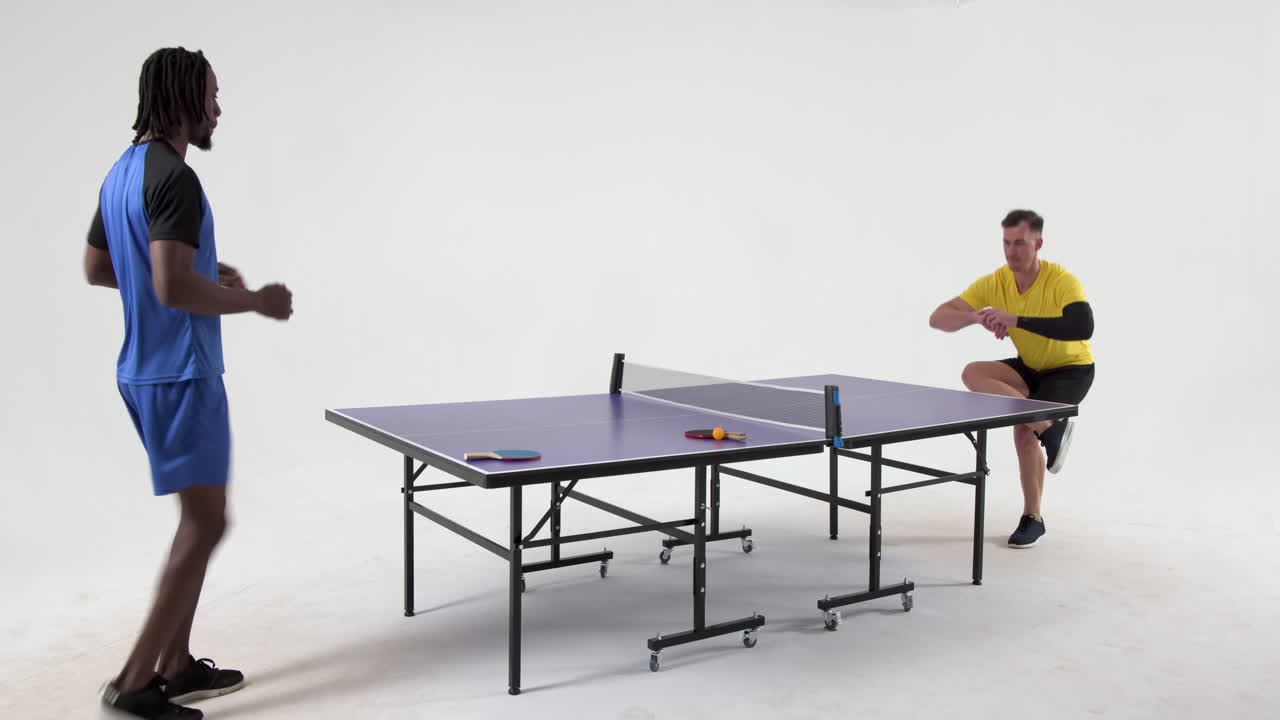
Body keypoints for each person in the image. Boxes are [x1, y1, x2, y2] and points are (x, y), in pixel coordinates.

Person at [86, 47, 293, 719]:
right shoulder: (175, 178)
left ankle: (175, 667)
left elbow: (100, 267)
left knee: (198, 522)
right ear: (182, 99)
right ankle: (133, 682)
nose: (218, 109)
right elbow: (172, 288)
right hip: (181, 374)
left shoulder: (122, 173)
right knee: (206, 525)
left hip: (144, 372)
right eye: (211, 95)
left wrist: (200, 270)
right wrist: (255, 300)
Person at [929, 209, 1094, 548]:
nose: (1011, 251)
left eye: (1019, 243)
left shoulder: (1061, 281)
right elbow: (938, 317)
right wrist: (977, 317)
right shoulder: (997, 282)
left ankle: (1033, 518)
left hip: (1071, 369)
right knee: (973, 372)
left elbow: (1082, 326)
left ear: (1038, 244)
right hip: (1030, 365)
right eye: (1006, 243)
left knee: (1022, 430)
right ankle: (1050, 429)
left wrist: (1016, 320)